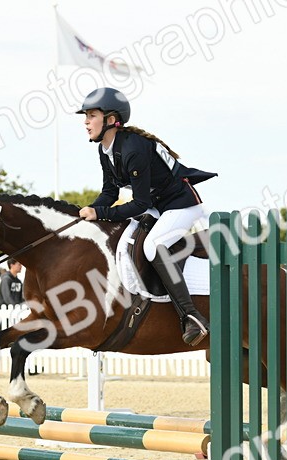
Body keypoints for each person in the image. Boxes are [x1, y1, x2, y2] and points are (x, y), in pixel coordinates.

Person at [74, 87, 216, 346]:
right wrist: (90, 211)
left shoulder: (133, 149)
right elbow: (109, 192)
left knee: (153, 246)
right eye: (85, 116)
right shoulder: (106, 149)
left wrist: (101, 212)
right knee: (123, 236)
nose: (85, 122)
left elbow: (140, 203)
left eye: (91, 115)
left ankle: (191, 316)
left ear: (110, 119)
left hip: (181, 206)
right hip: (158, 206)